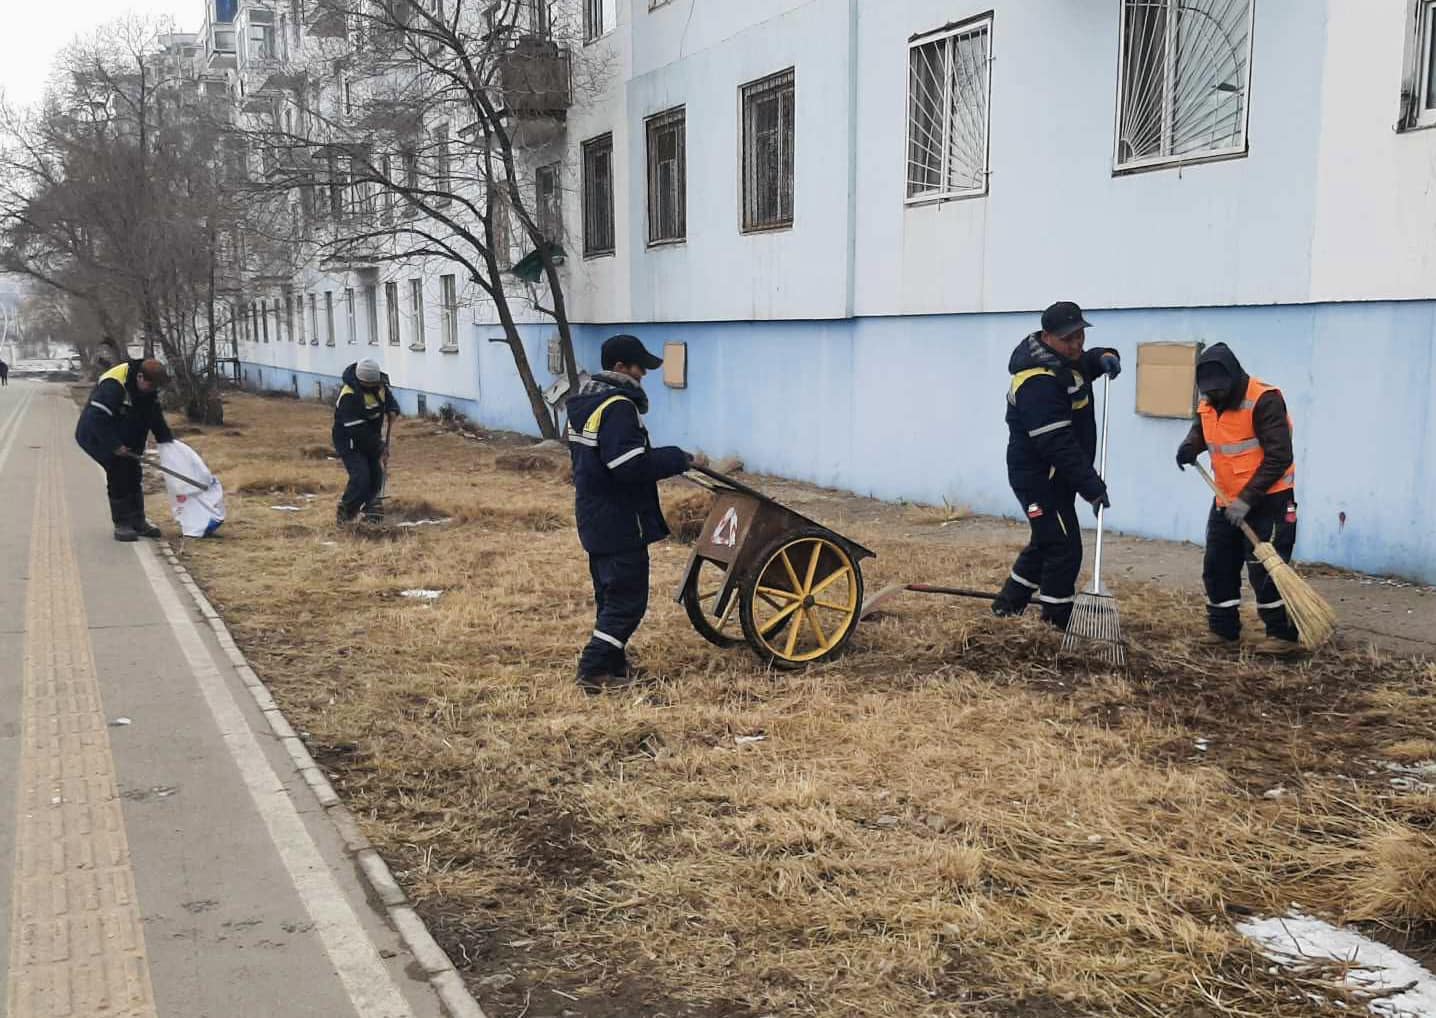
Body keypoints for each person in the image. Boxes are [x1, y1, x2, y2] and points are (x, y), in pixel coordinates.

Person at [566, 334, 691, 693]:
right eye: (639, 368)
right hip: (619, 519)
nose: (644, 375)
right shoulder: (618, 405)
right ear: (620, 367)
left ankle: (614, 665)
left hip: (595, 516)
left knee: (611, 595)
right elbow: (628, 466)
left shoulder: (585, 403)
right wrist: (677, 457)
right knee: (627, 601)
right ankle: (593, 669)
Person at [992, 301, 1122, 629]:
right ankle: (1056, 621)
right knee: (1063, 547)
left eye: (1080, 335)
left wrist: (1105, 355)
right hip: (1039, 479)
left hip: (1058, 476)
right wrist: (1091, 487)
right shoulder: (1037, 382)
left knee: (1046, 540)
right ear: (1047, 337)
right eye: (1069, 339)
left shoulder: (1066, 361)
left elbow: (1085, 363)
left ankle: (1007, 607)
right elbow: (1057, 444)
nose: (1077, 344)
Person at [1175, 343, 1301, 655]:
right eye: (1209, 392)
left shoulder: (1264, 399)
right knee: (1218, 564)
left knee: (1265, 569)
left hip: (1268, 501)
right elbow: (1203, 429)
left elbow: (1279, 455)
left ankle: (1282, 635)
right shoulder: (1208, 400)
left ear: (1233, 377)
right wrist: (1191, 446)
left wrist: (1247, 499)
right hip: (1225, 500)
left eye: (1220, 391)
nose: (1214, 396)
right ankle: (1223, 630)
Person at [74, 357, 175, 541]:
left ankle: (138, 521)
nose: (154, 390)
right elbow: (96, 419)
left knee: (134, 473)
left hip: (123, 430)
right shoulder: (113, 386)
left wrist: (166, 440)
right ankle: (122, 524)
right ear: (140, 377)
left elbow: (153, 414)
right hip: (95, 435)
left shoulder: (148, 386)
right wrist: (114, 445)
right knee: (119, 471)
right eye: (151, 386)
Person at [333, 357, 400, 524]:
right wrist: (380, 447)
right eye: (371, 384)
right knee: (361, 477)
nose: (375, 386)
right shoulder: (349, 396)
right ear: (362, 381)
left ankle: (372, 513)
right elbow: (358, 431)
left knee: (376, 476)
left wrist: (393, 409)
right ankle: (346, 513)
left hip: (370, 438)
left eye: (376, 383)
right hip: (350, 442)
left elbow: (388, 399)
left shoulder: (380, 385)